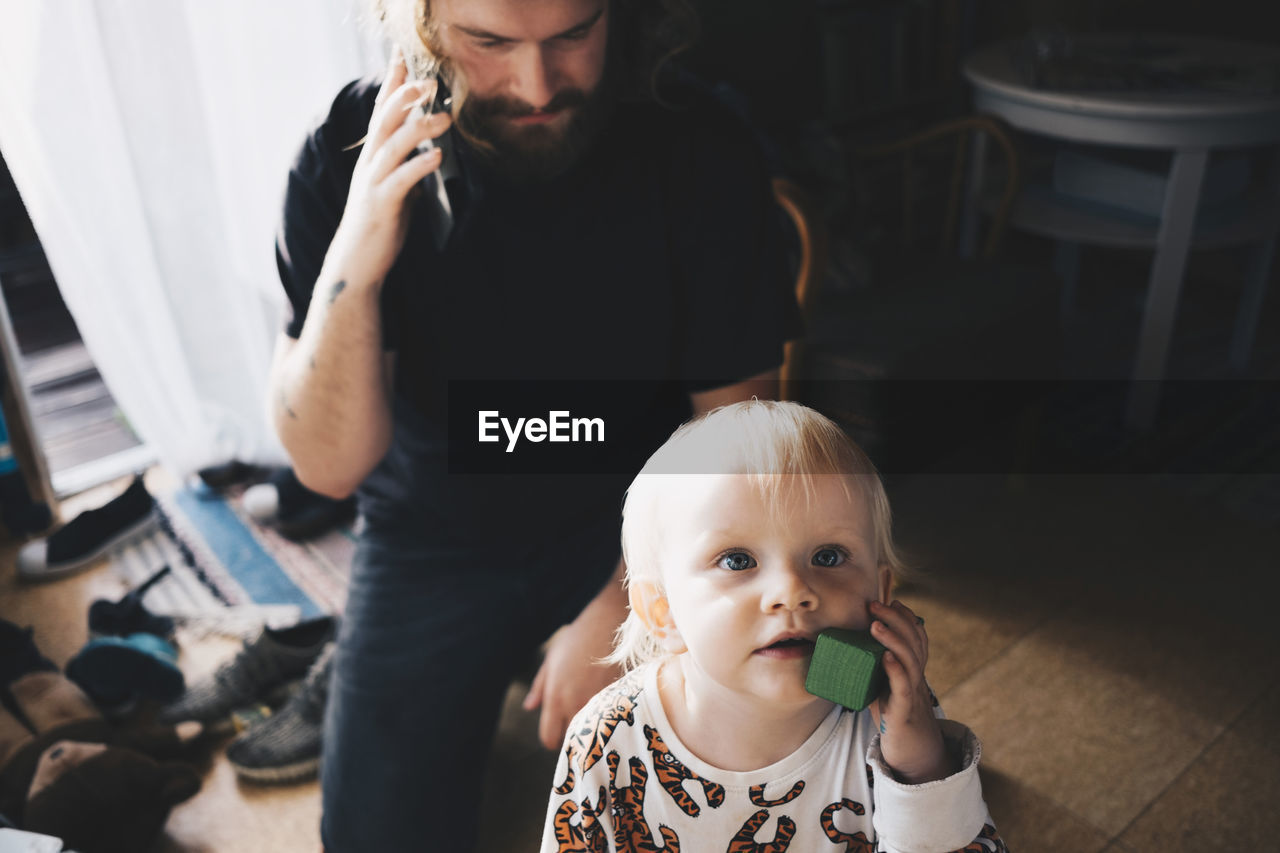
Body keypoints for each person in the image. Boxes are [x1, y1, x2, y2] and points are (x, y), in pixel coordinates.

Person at [267, 0, 798, 848]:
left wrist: (635, 601)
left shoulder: (699, 147)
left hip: (647, 525)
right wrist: (356, 257)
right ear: (422, 24)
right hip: (431, 541)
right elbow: (328, 466)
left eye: (573, 36)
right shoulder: (344, 154)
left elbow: (735, 431)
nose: (537, 83)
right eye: (490, 43)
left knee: (852, 675)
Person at [541, 400, 1009, 852]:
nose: (792, 590)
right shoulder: (606, 739)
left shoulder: (895, 723)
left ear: (882, 595)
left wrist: (922, 769)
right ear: (663, 613)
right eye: (738, 560)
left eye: (828, 557)